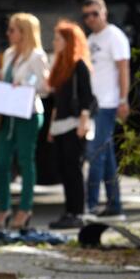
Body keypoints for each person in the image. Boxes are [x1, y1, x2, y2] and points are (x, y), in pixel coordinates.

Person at [0, 13, 48, 230]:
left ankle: (25, 208)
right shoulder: (9, 53)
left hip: (28, 113)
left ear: (24, 32)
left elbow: (44, 84)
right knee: (1, 161)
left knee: (25, 160)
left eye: (12, 30)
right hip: (8, 112)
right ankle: (4, 207)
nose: (8, 33)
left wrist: (24, 83)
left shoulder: (36, 55)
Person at [81, 0, 130, 217]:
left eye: (94, 13)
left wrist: (123, 99)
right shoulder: (91, 39)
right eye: (86, 15)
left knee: (96, 154)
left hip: (108, 103)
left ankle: (90, 205)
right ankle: (114, 203)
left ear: (104, 13)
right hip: (94, 104)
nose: (90, 18)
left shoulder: (114, 36)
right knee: (106, 154)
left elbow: (123, 69)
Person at [45, 21, 94, 230]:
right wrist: (51, 127)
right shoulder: (59, 65)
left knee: (74, 170)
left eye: (58, 39)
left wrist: (83, 124)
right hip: (60, 124)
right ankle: (69, 211)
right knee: (64, 170)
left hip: (75, 124)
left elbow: (87, 97)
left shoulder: (79, 65)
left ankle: (78, 212)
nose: (54, 42)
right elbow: (57, 99)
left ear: (69, 41)